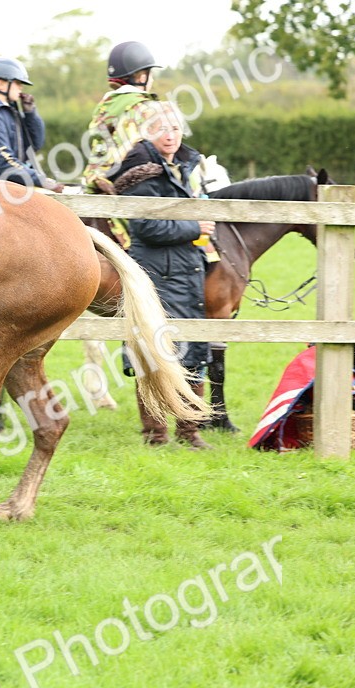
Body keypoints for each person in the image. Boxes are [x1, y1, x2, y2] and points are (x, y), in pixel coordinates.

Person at [109, 101, 214, 449]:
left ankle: (190, 430)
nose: (170, 135)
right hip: (156, 271)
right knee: (151, 352)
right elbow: (146, 226)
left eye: (175, 128)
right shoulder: (143, 169)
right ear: (147, 132)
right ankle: (155, 434)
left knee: (193, 350)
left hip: (185, 268)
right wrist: (193, 227)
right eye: (161, 128)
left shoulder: (180, 166)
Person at [0, 56, 63, 192]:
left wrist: (31, 114)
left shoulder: (10, 111)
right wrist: (41, 180)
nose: (21, 88)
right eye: (17, 83)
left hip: (9, 189)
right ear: (0, 84)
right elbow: (6, 162)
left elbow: (34, 145)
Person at [82, 40, 161, 199]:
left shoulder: (104, 108)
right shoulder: (144, 108)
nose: (152, 80)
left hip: (95, 183)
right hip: (132, 189)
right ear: (141, 77)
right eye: (150, 74)